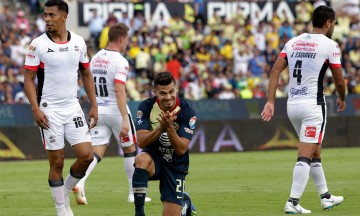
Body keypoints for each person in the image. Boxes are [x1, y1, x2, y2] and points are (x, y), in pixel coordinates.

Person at [261, 5, 346, 214]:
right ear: (328, 23)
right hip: (313, 106)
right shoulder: (330, 45)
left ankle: (326, 197)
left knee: (315, 150)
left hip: (293, 105)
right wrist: (342, 97)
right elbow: (340, 81)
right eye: (333, 23)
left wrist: (270, 101)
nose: (333, 26)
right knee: (305, 154)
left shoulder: (293, 42)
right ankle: (293, 201)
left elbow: (275, 71)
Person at [23, 0, 98, 216]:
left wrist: (94, 105)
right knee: (57, 162)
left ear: (64, 16)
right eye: (45, 15)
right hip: (49, 110)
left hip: (73, 107)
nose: (47, 19)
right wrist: (35, 108)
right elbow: (28, 79)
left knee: (86, 156)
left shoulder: (78, 42)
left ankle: (65, 191)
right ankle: (61, 210)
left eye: (51, 15)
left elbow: (86, 74)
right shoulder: (38, 45)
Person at [71, 23, 151, 205]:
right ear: (122, 39)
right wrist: (124, 117)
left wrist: (93, 105)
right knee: (130, 150)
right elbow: (119, 89)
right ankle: (133, 194)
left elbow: (87, 80)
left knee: (97, 151)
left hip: (99, 109)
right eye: (127, 40)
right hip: (116, 110)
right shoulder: (121, 61)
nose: (127, 44)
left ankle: (81, 181)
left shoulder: (96, 57)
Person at [132, 71, 197, 216]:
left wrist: (169, 128)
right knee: (141, 159)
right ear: (155, 92)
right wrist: (161, 128)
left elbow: (181, 149)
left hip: (176, 165)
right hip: (154, 158)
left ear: (177, 89)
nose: (168, 97)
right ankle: (139, 213)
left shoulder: (187, 111)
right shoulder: (146, 107)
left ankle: (185, 204)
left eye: (171, 91)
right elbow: (141, 142)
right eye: (163, 93)